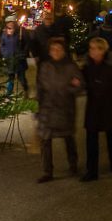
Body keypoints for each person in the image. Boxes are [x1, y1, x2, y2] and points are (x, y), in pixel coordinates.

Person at [80, 37, 112, 182]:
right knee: (91, 140)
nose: (92, 51)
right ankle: (92, 171)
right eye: (90, 48)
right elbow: (82, 82)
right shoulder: (87, 66)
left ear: (102, 50)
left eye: (95, 48)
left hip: (110, 107)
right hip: (93, 108)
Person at [36, 37, 83, 183]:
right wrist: (38, 105)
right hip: (47, 108)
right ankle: (47, 170)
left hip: (65, 107)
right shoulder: (45, 66)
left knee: (68, 137)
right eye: (53, 49)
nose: (56, 52)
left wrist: (69, 89)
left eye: (59, 49)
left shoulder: (71, 66)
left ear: (64, 51)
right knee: (45, 140)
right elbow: (40, 87)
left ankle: (73, 163)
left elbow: (80, 85)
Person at [0, 17, 28, 96]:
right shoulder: (5, 33)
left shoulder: (21, 32)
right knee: (10, 76)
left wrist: (23, 53)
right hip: (10, 58)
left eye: (12, 22)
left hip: (19, 58)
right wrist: (4, 53)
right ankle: (9, 91)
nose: (10, 24)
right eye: (8, 22)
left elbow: (26, 44)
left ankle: (25, 90)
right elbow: (2, 45)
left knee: (21, 77)